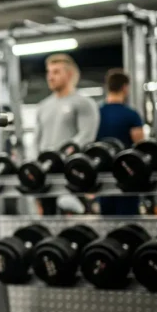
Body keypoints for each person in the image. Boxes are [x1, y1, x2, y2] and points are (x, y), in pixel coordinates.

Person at [35, 53, 99, 215]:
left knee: (78, 222)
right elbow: (38, 140)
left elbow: (86, 136)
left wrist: (61, 156)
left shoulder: (84, 103)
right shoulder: (43, 106)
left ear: (69, 74)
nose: (50, 77)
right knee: (48, 221)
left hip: (72, 173)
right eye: (49, 72)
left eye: (56, 72)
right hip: (46, 173)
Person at [96, 68, 144, 215]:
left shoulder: (97, 113)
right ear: (125, 88)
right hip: (126, 175)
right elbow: (141, 147)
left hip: (103, 175)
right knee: (128, 222)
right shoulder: (131, 114)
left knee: (107, 222)